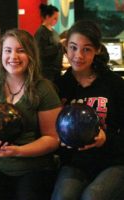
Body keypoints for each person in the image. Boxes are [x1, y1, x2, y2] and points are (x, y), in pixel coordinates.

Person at [0, 29, 62, 200]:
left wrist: (18, 151)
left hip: (34, 167)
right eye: (8, 50)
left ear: (31, 55)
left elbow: (52, 138)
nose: (13, 57)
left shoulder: (43, 88)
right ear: (0, 53)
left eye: (21, 50)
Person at [52, 20, 124, 200]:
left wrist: (105, 140)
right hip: (76, 164)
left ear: (97, 50)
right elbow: (50, 132)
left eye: (87, 49)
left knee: (93, 196)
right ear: (65, 47)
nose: (78, 55)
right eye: (73, 47)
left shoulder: (114, 84)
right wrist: (60, 142)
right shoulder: (59, 86)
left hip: (113, 162)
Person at [34, 3, 64, 82]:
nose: (57, 21)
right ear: (47, 17)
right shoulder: (41, 33)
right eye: (55, 18)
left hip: (56, 71)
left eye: (57, 18)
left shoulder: (54, 32)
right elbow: (40, 52)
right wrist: (59, 45)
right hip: (47, 73)